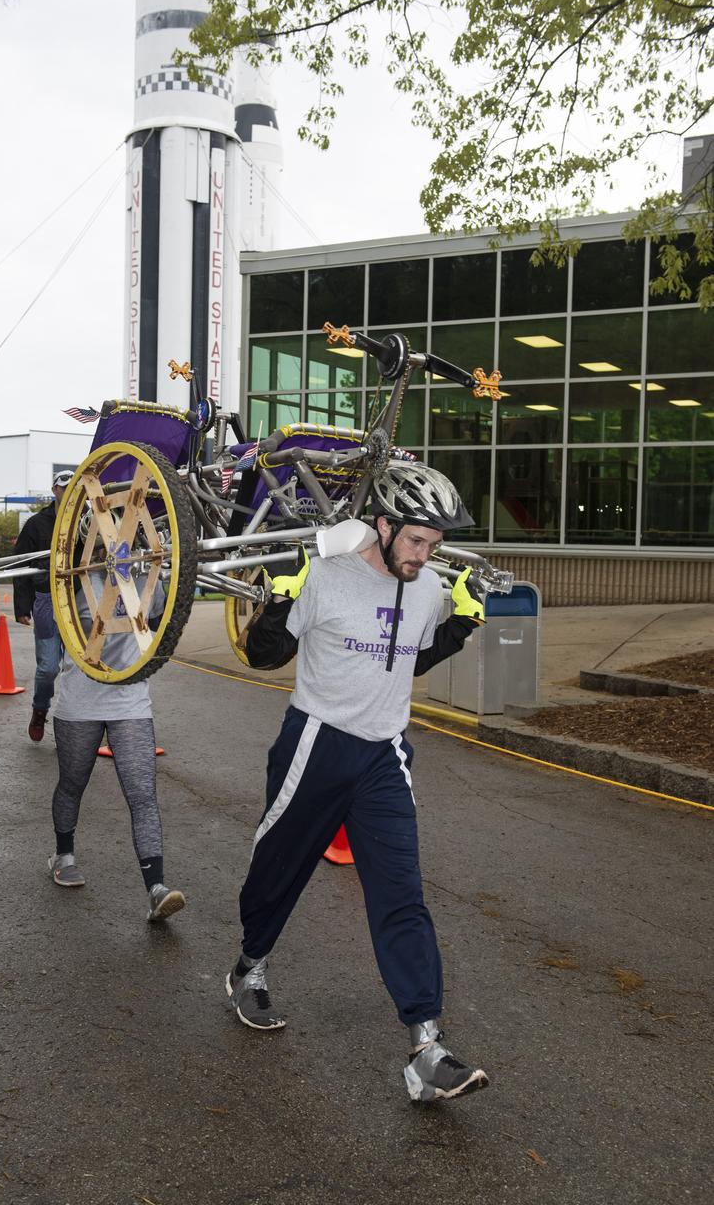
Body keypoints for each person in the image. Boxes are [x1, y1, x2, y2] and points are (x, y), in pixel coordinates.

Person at [225, 462, 489, 1103]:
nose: (426, 556)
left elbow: (408, 658)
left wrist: (459, 626)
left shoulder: (426, 586)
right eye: (417, 541)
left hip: (384, 756)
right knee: (279, 868)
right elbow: (263, 655)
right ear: (383, 525)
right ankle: (249, 966)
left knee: (402, 894)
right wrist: (278, 601)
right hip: (316, 742)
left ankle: (427, 1048)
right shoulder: (326, 576)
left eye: (435, 545)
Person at [47, 511, 185, 923]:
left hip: (129, 699)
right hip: (81, 699)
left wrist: (164, 568)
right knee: (72, 784)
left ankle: (156, 889)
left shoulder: (146, 577)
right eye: (107, 535)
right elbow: (71, 627)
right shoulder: (72, 581)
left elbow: (161, 618)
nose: (117, 540)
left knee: (142, 795)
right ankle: (63, 854)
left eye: (126, 534)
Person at [14, 470, 74, 742]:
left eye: (73, 486)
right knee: (48, 668)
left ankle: (76, 723)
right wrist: (22, 607)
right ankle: (40, 710)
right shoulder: (36, 524)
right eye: (64, 486)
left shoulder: (88, 520)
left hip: (78, 602)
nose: (68, 490)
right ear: (54, 490)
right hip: (46, 602)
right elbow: (20, 564)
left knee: (80, 669)